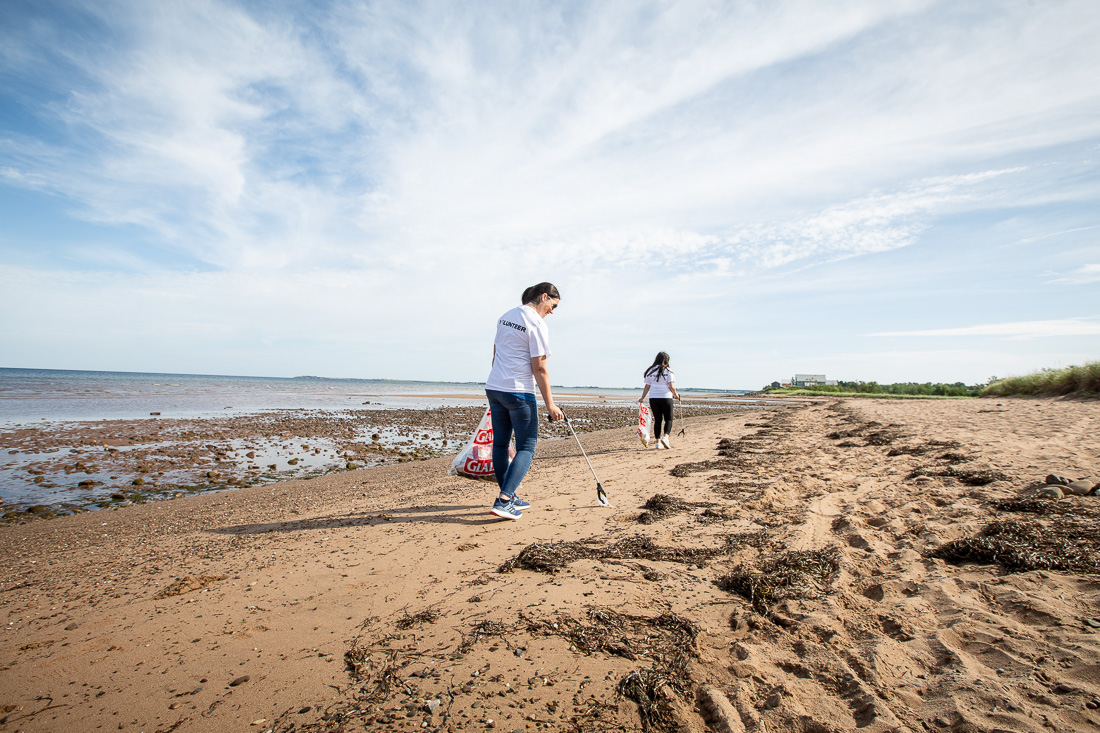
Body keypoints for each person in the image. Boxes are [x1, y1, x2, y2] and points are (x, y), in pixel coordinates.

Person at [484, 282, 564, 519]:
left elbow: (496, 355)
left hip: (495, 387)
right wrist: (550, 405)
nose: (552, 311)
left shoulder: (505, 317)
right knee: (527, 447)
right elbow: (539, 368)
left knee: (500, 444)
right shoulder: (536, 323)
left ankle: (508, 494)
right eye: (553, 305)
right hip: (518, 391)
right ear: (543, 296)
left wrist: (498, 388)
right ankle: (504, 499)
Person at [638, 351, 679, 449]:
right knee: (668, 419)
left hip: (653, 398)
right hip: (666, 397)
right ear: (667, 360)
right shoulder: (668, 371)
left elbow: (647, 386)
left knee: (658, 420)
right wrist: (676, 395)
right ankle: (666, 437)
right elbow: (671, 386)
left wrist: (642, 398)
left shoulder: (650, 371)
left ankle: (657, 442)